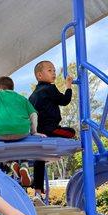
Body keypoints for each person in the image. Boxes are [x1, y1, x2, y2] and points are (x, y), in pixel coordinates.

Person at [29, 60, 76, 205]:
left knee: (39, 159)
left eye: (54, 70)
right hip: (50, 129)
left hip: (36, 133)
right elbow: (65, 100)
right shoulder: (49, 88)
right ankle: (57, 154)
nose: (54, 73)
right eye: (50, 70)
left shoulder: (32, 95)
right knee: (72, 132)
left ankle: (37, 192)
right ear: (39, 75)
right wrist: (68, 85)